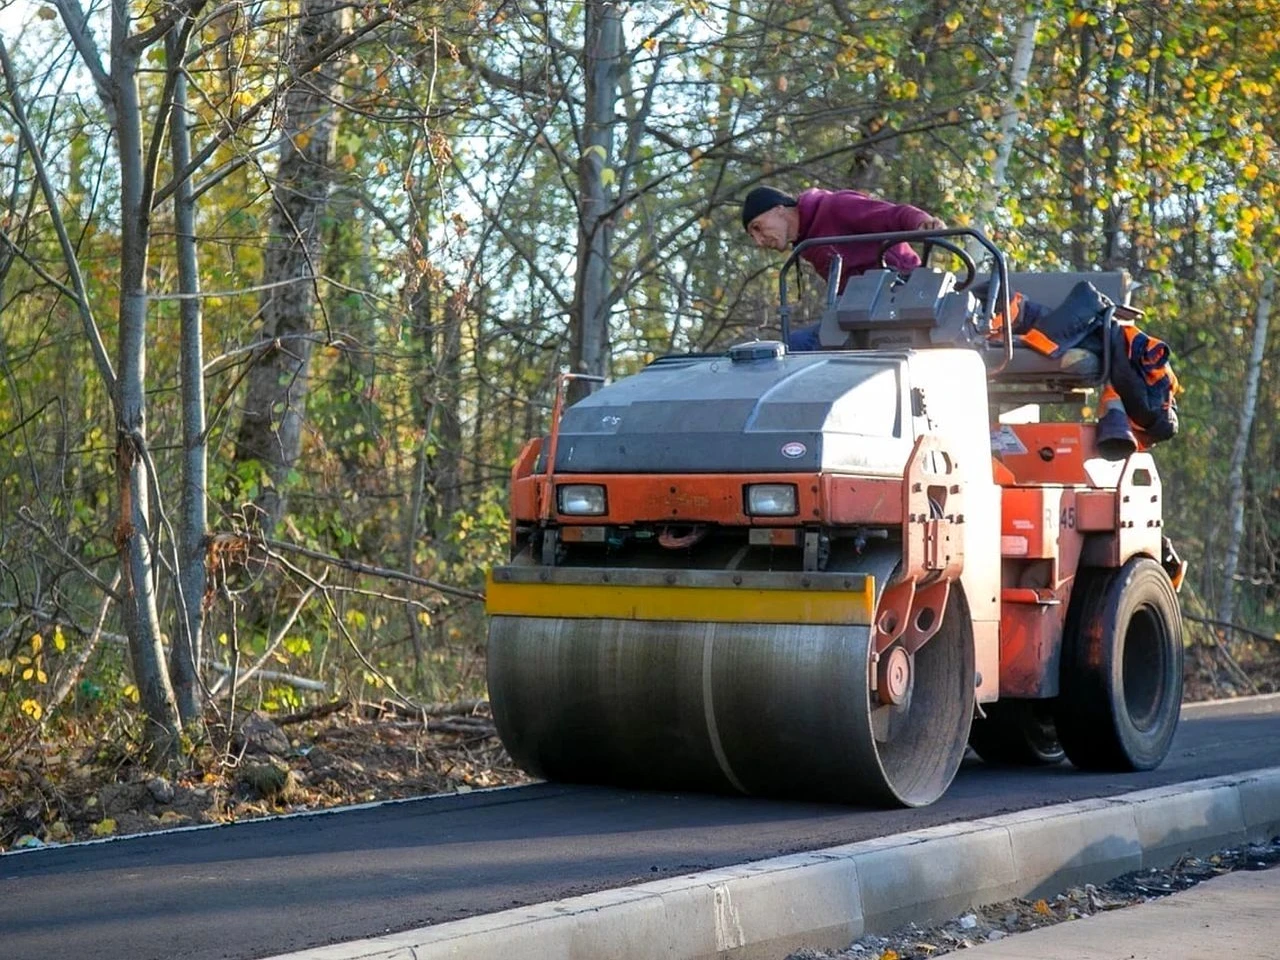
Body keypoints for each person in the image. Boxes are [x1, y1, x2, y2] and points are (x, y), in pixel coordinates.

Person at [741, 185, 946, 349]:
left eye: (757, 227)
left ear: (778, 209)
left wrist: (922, 223)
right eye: (753, 236)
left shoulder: (834, 206)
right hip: (860, 308)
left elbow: (894, 214)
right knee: (789, 348)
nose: (759, 241)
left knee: (798, 346)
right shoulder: (806, 242)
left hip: (900, 292)